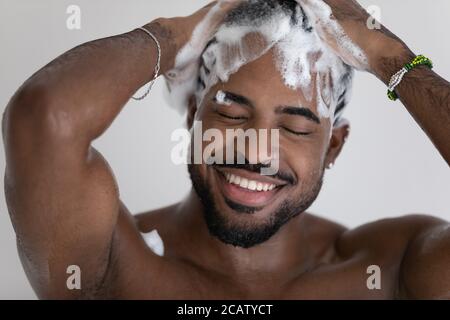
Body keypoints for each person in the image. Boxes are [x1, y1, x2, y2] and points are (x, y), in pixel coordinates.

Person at [2, 0, 449, 299]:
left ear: (333, 146)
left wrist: (392, 59)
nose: (257, 153)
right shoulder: (110, 265)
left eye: (294, 127)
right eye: (232, 115)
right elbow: (44, 118)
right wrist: (173, 37)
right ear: (193, 115)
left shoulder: (393, 270)